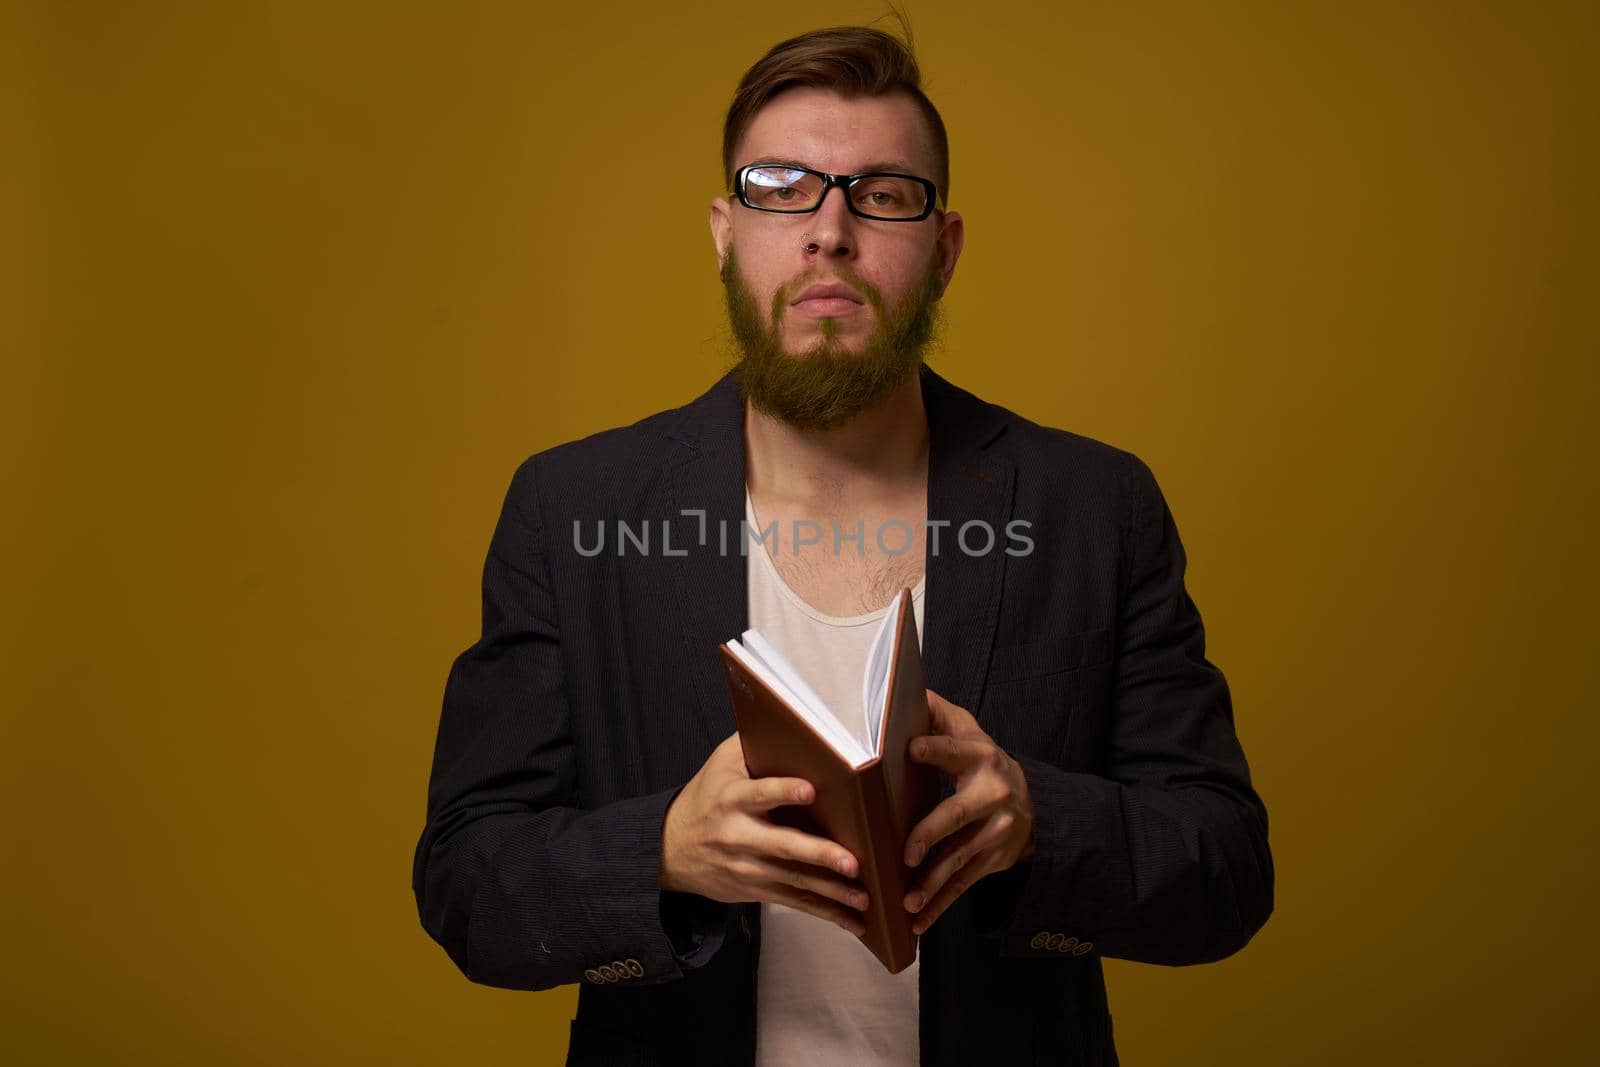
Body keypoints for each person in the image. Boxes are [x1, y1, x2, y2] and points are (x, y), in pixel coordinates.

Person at [413, 22, 1273, 1067]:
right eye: (782, 187)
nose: (829, 230)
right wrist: (665, 852)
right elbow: (466, 880)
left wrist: (1040, 819)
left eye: (881, 193)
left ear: (943, 248)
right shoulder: (571, 505)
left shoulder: (1094, 504)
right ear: (726, 232)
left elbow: (1225, 873)